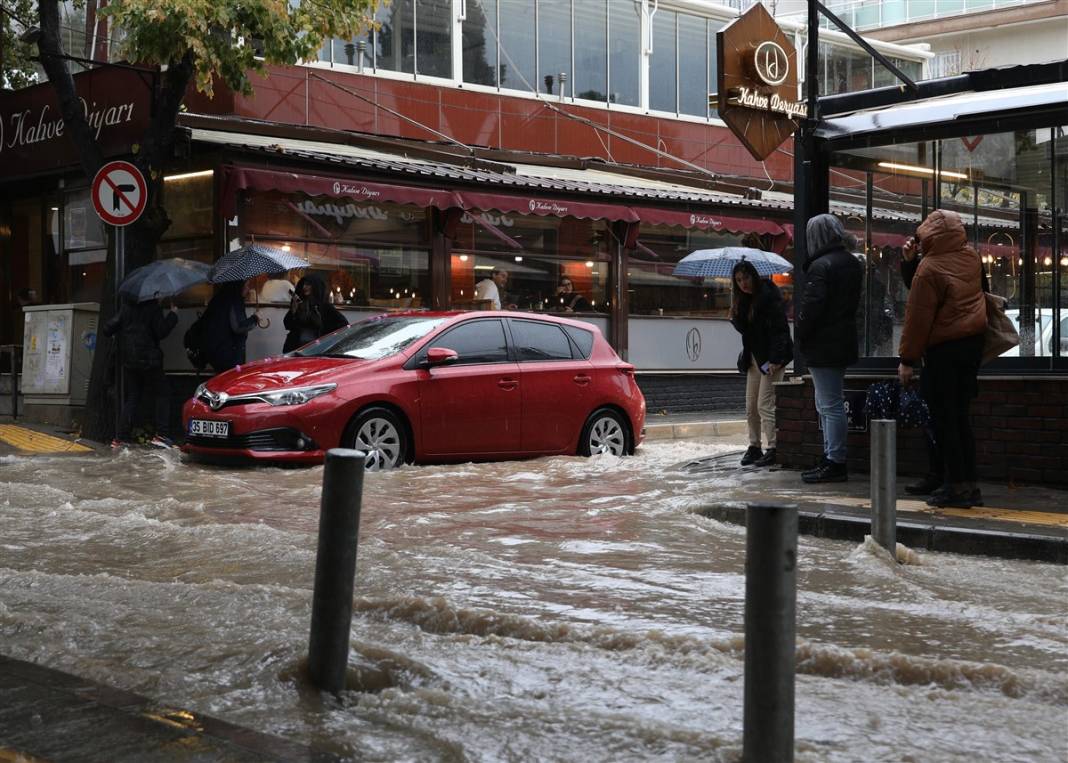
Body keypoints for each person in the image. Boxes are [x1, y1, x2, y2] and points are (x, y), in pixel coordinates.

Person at [898, 210, 987, 508]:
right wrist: (911, 264)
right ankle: (970, 485)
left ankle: (955, 487)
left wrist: (907, 359)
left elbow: (918, 316)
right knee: (961, 418)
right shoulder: (972, 257)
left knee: (944, 421)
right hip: (972, 347)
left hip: (943, 352)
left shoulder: (929, 268)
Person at [795, 214, 864, 483]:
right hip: (842, 340)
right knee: (830, 401)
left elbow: (812, 308)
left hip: (823, 344)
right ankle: (831, 458)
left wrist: (801, 334)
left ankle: (834, 460)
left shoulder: (820, 265)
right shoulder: (851, 262)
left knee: (829, 404)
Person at [729, 260, 793, 467]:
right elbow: (748, 332)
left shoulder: (768, 296)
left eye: (746, 278)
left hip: (772, 359)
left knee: (764, 404)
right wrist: (735, 316)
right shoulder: (743, 300)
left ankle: (774, 447)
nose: (743, 283)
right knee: (751, 406)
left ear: (754, 276)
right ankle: (754, 446)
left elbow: (780, 330)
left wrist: (776, 359)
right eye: (739, 280)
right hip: (754, 358)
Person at [102, 296, 179, 448]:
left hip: (129, 360)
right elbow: (161, 331)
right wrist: (173, 314)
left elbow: (107, 328)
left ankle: (121, 438)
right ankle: (162, 435)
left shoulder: (127, 306)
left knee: (133, 397)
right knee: (163, 392)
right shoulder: (153, 308)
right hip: (149, 360)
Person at [202, 280, 262, 373]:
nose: (248, 289)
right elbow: (238, 327)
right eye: (246, 286)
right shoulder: (234, 301)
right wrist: (255, 318)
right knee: (231, 378)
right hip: (229, 353)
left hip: (218, 351)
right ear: (238, 286)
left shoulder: (220, 298)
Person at [282, 274, 349, 353]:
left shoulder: (325, 307)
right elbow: (287, 325)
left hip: (316, 350)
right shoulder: (299, 304)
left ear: (315, 287)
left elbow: (343, 324)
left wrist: (326, 337)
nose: (304, 287)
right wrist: (293, 311)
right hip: (296, 348)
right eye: (303, 284)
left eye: (308, 284)